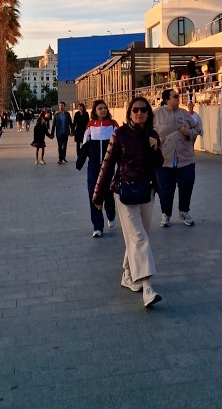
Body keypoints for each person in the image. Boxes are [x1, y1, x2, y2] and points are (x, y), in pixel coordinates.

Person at [92, 96, 163, 308]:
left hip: (146, 191)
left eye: (143, 110)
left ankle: (128, 274)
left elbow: (160, 163)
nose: (139, 113)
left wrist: (156, 148)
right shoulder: (120, 134)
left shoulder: (152, 135)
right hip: (125, 192)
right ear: (129, 113)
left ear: (148, 113)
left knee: (139, 236)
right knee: (139, 237)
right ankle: (147, 287)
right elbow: (107, 165)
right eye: (135, 110)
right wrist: (98, 195)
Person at [154, 88, 201, 228]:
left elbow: (197, 129)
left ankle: (184, 211)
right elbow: (149, 132)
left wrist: (188, 132)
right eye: (175, 96)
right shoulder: (156, 114)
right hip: (164, 159)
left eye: (178, 96)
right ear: (167, 100)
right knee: (165, 189)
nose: (178, 98)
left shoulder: (184, 113)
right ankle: (166, 214)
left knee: (187, 184)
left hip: (186, 158)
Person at [76, 99, 118, 238]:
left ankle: (111, 214)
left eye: (104, 108)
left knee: (107, 192)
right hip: (93, 165)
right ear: (95, 111)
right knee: (92, 192)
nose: (103, 110)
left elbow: (119, 144)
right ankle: (97, 226)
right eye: (100, 108)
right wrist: (81, 160)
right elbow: (85, 144)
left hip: (108, 165)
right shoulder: (90, 126)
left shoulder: (113, 125)